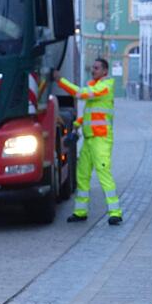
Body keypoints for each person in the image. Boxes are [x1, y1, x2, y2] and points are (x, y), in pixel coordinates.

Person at [53, 58, 122, 226]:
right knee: (82, 175)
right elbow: (91, 113)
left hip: (101, 139)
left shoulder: (105, 87)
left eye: (97, 68)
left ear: (105, 71)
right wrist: (76, 124)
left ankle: (115, 212)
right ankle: (80, 212)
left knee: (103, 173)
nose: (93, 70)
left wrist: (59, 80)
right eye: (93, 68)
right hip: (90, 139)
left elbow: (80, 94)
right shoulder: (96, 86)